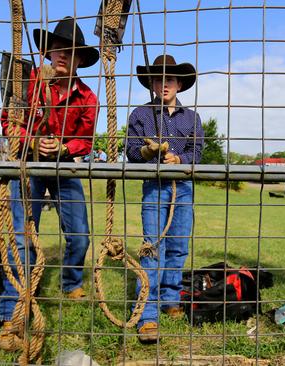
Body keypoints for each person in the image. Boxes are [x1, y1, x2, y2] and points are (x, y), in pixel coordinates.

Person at [0, 17, 99, 351]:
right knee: (23, 235)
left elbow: (85, 140)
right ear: (47, 52)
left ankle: (71, 281)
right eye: (56, 48)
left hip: (65, 168)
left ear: (80, 59)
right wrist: (34, 140)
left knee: (80, 234)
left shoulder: (88, 97)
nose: (61, 55)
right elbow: (8, 123)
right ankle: (12, 302)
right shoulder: (29, 86)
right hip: (30, 165)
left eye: (69, 51)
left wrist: (64, 148)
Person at [126, 54, 204, 343]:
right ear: (152, 84)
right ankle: (147, 314)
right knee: (153, 247)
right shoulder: (140, 115)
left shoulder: (192, 118)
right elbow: (132, 152)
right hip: (154, 186)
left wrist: (178, 158)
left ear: (180, 84)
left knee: (179, 245)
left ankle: (171, 298)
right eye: (158, 79)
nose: (164, 84)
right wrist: (148, 153)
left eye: (169, 79)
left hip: (183, 187)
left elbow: (197, 153)